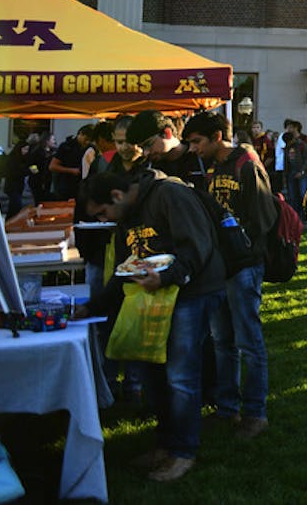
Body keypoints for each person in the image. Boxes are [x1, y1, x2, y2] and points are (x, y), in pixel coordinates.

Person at [77, 168, 227, 482]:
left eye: (103, 212)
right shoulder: (124, 218)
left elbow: (197, 246)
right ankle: (165, 444)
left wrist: (168, 276)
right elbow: (122, 271)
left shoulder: (169, 194)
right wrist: (91, 307)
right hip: (156, 294)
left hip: (193, 290)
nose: (104, 220)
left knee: (181, 374)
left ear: (117, 196)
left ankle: (183, 451)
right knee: (152, 371)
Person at [181, 112, 275, 438]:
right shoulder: (214, 167)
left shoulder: (246, 162)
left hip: (245, 266)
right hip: (220, 267)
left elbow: (264, 215)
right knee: (223, 341)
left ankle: (255, 413)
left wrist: (242, 245)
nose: (193, 149)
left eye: (197, 142)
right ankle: (227, 409)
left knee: (249, 341)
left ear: (218, 136)